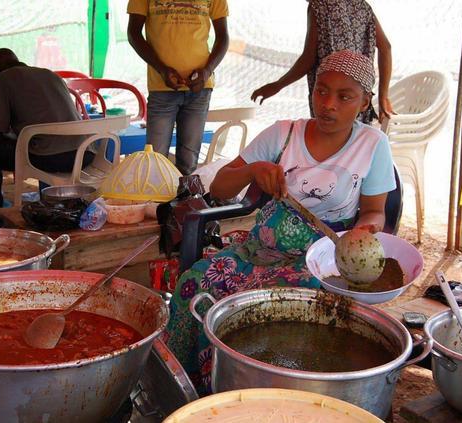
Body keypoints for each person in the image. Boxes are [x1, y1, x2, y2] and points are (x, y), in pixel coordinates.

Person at [165, 50, 397, 395]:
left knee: (267, 309)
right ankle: (187, 386)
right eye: (321, 90)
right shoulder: (283, 133)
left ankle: (249, 391)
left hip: (321, 262)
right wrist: (251, 171)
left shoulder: (372, 144)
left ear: (364, 101)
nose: (328, 104)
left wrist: (365, 230)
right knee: (195, 284)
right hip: (258, 250)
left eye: (344, 96)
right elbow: (219, 186)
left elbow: (375, 211)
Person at [0, 48, 93, 227]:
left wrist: (16, 137)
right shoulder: (50, 74)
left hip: (51, 158)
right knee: (37, 142)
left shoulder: (3, 79)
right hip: (84, 154)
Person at [127, 0, 229, 175]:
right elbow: (133, 33)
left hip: (200, 88)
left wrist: (207, 71)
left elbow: (223, 37)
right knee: (155, 161)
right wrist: (161, 69)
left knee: (188, 164)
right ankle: (156, 202)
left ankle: (182, 200)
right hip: (161, 88)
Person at [251, 0, 393, 122]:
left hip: (330, 96)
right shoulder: (362, 5)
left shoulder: (319, 6)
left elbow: (309, 58)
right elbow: (386, 47)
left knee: (328, 144)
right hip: (356, 97)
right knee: (353, 147)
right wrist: (383, 97)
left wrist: (277, 85)